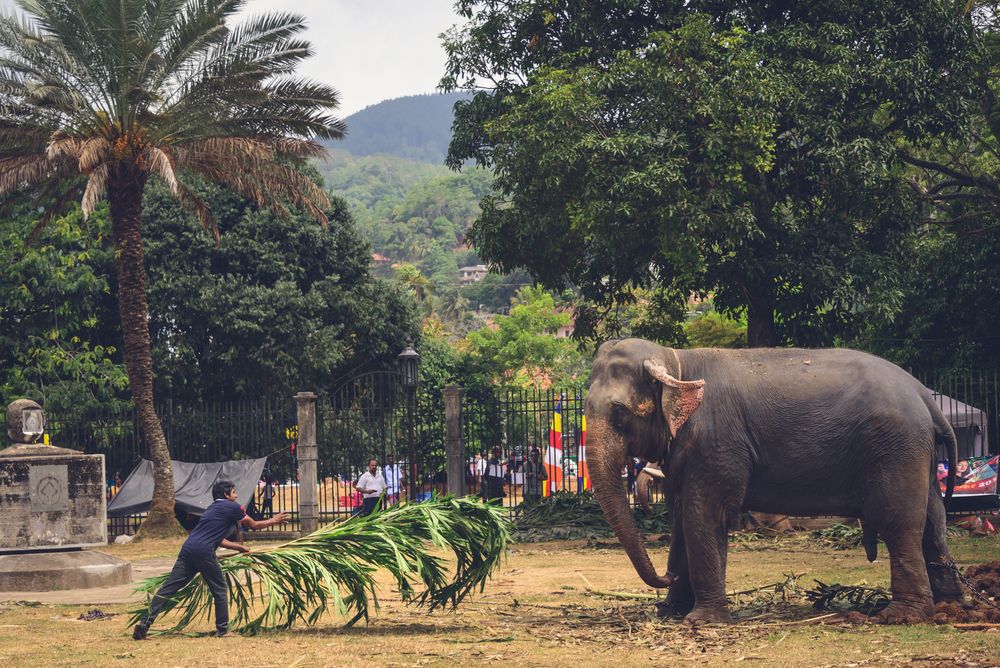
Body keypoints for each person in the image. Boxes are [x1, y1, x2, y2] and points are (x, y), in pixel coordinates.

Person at [133, 480, 288, 640]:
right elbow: (254, 525)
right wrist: (274, 520)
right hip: (204, 552)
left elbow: (218, 539)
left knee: (169, 588)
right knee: (220, 589)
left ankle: (144, 624)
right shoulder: (233, 507)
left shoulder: (211, 509)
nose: (236, 495)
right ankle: (223, 630)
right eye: (234, 492)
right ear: (226, 495)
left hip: (188, 549)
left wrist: (239, 548)